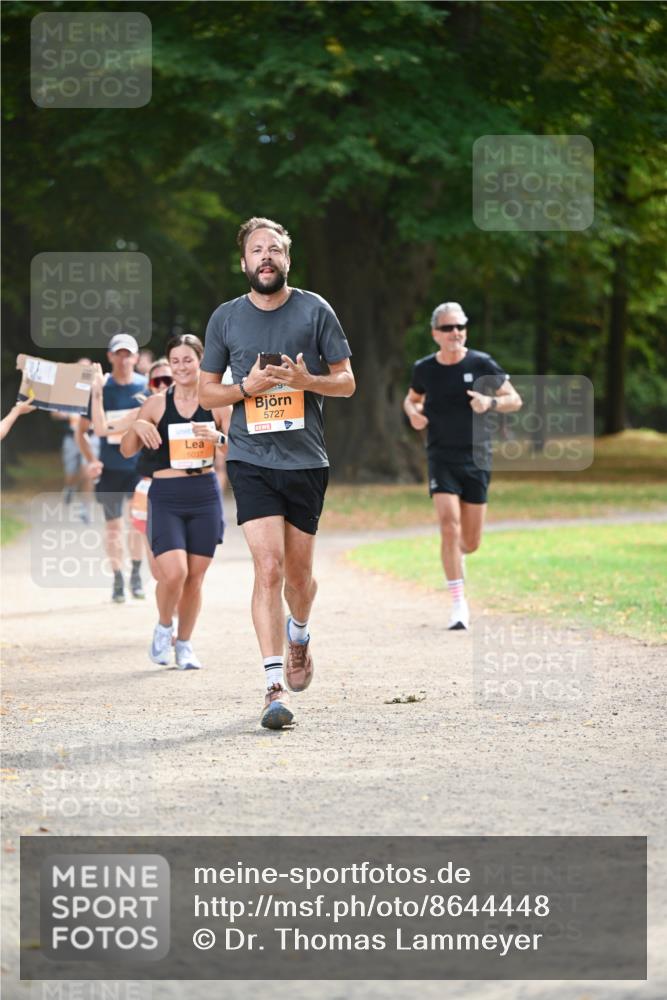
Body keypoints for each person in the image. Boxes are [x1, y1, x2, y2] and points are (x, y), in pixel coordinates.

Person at [199, 216, 355, 729]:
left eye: (274, 250)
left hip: (307, 460)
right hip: (251, 459)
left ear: (288, 259)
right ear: (243, 261)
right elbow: (206, 394)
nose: (265, 257)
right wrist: (246, 387)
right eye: (256, 250)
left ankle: (301, 633)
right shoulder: (225, 318)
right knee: (267, 568)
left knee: (298, 578)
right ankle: (271, 686)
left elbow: (347, 382)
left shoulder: (316, 310)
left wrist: (304, 379)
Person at [403, 301, 522, 630]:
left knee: (470, 542)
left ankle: (460, 558)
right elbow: (411, 398)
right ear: (435, 334)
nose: (455, 332)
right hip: (441, 455)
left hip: (477, 457)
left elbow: (515, 399)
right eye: (448, 328)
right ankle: (458, 603)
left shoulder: (481, 363)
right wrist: (413, 413)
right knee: (448, 525)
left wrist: (490, 402)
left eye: (460, 326)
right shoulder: (425, 368)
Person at [120, 334, 230, 670]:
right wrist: (138, 423)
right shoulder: (155, 404)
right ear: (170, 364)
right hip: (166, 496)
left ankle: (184, 644)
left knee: (195, 578)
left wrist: (219, 437)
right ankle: (163, 626)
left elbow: (239, 448)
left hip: (204, 495)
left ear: (201, 361)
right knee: (174, 573)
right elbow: (127, 450)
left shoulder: (218, 404)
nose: (182, 366)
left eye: (188, 360)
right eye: (176, 360)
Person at [76, 334, 147, 603]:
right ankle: (118, 579)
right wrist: (92, 460)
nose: (124, 359)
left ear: (136, 358)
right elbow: (82, 432)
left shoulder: (146, 387)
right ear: (110, 357)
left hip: (138, 468)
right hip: (110, 469)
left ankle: (137, 575)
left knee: (138, 525)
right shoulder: (100, 389)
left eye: (128, 354)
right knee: (114, 528)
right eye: (119, 353)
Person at [126, 357, 173, 582]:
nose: (163, 385)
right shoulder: (142, 410)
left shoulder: (195, 407)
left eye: (168, 379)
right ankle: (169, 611)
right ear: (149, 385)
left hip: (185, 489)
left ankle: (182, 613)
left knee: (181, 564)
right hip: (149, 489)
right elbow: (104, 428)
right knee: (157, 566)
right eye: (157, 381)